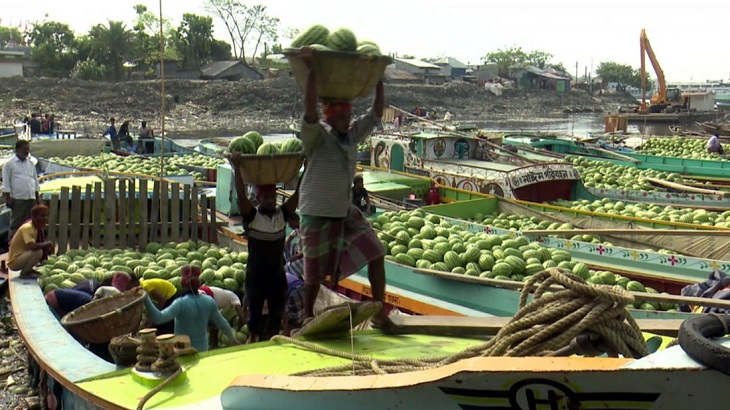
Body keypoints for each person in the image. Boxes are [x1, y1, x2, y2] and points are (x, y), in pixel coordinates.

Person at [297, 46, 387, 325]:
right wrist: (312, 72)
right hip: (316, 211)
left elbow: (374, 114)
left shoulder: (351, 136)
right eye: (342, 118)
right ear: (330, 118)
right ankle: (307, 315)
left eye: (348, 117)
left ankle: (381, 311)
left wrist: (378, 80)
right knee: (313, 273)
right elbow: (310, 110)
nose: (347, 122)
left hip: (344, 211)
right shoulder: (316, 137)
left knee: (376, 252)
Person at [227, 153, 300, 343]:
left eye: (273, 196)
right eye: (267, 197)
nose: (271, 200)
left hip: (277, 275)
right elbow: (241, 194)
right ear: (258, 199)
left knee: (276, 316)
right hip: (256, 276)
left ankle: (272, 344)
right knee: (255, 319)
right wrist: (236, 169)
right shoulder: (252, 216)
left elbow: (298, 194)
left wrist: (306, 168)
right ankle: (253, 341)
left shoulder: (282, 215)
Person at [143, 265, 239, 352]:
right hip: (202, 351)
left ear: (182, 284)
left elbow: (158, 318)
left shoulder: (180, 303)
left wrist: (145, 298)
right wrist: (234, 340)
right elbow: (223, 324)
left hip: (183, 351)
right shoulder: (209, 301)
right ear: (199, 284)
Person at [3, 140, 41, 239]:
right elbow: (6, 183)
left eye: (28, 149)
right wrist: (8, 198)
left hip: (31, 197)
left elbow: (35, 182)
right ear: (17, 150)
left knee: (31, 222)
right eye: (24, 149)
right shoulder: (9, 164)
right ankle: (12, 244)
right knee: (16, 223)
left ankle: (29, 241)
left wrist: (37, 198)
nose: (27, 151)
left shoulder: (31, 163)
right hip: (18, 198)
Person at [7, 205, 54, 277]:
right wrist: (47, 244)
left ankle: (29, 270)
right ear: (34, 217)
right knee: (38, 252)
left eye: (45, 216)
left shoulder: (36, 227)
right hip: (14, 262)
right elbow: (31, 246)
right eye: (41, 216)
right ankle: (25, 273)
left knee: (38, 250)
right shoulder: (28, 228)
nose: (44, 218)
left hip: (21, 256)